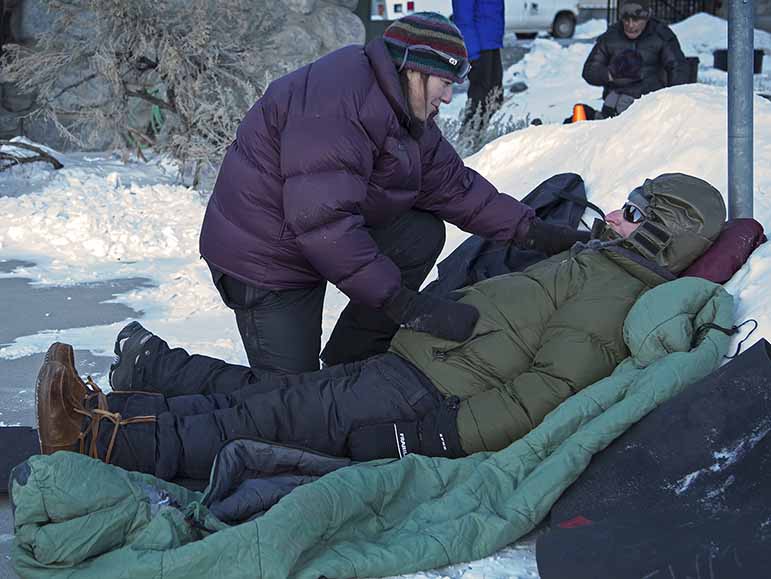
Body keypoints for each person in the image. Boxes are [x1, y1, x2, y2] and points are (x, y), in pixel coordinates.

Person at [36, 173, 726, 481]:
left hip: (427, 396)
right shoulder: (603, 265)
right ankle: (108, 410)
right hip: (421, 368)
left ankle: (92, 441)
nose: (612, 214)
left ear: (665, 231)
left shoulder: (615, 292)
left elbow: (545, 391)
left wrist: (434, 434)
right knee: (262, 401)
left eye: (633, 210)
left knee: (263, 421)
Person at [198, 11, 588, 376]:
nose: (449, 98)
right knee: (290, 401)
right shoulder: (338, 102)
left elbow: (457, 188)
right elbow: (325, 220)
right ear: (415, 69)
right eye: (446, 83)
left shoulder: (403, 109)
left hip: (313, 239)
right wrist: (402, 304)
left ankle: (351, 360)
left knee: (420, 232)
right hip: (266, 260)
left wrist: (540, 233)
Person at [582, 0, 689, 118]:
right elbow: (589, 70)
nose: (630, 25)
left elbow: (678, 67)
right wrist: (610, 74)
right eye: (626, 20)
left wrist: (673, 102)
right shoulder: (611, 36)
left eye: (636, 20)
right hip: (613, 102)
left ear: (647, 17)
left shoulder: (661, 35)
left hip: (648, 105)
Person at [452, 0, 505, 135]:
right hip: (478, 46)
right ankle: (468, 139)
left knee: (495, 95)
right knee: (479, 99)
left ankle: (480, 135)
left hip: (492, 43)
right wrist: (471, 53)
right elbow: (462, 16)